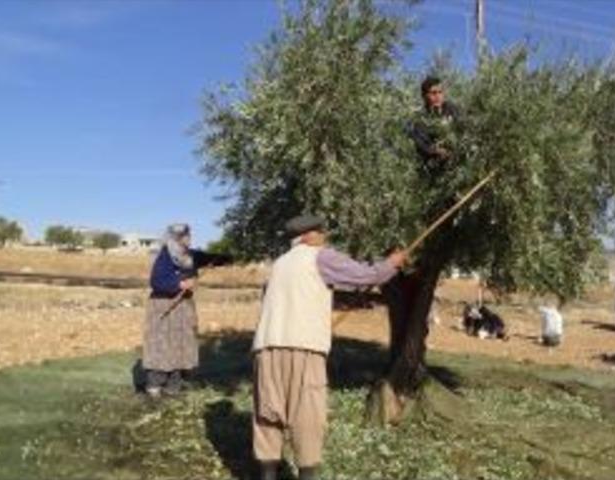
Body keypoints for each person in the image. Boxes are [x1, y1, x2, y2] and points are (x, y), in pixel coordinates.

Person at [252, 215, 407, 480]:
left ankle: (268, 475)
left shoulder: (280, 264)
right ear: (310, 236)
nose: (326, 237)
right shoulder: (320, 256)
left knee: (268, 412)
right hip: (303, 349)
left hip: (266, 347)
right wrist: (393, 263)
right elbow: (366, 275)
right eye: (323, 232)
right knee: (307, 415)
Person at [142, 223, 232, 398]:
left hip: (183, 307)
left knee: (180, 345)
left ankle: (173, 386)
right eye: (186, 235)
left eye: (189, 235)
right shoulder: (165, 256)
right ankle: (154, 387)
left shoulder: (190, 255)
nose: (189, 238)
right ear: (176, 238)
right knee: (162, 346)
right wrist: (180, 284)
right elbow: (156, 282)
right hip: (165, 307)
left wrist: (226, 257)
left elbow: (208, 258)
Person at [408, 75, 461, 175]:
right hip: (436, 167)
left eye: (440, 92)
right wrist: (437, 151)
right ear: (424, 96)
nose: (437, 96)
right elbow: (421, 144)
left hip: (458, 160)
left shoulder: (452, 109)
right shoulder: (420, 119)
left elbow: (463, 127)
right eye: (433, 93)